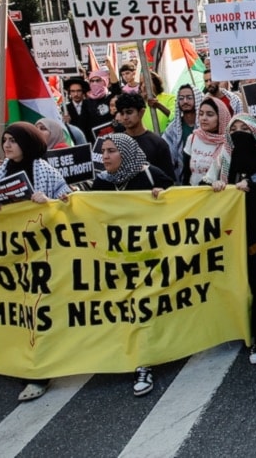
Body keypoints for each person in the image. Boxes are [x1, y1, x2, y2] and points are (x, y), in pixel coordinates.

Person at [0, 122, 70, 401]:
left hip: (43, 251)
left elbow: (68, 199)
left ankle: (40, 372)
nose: (7, 145)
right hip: (16, 251)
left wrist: (49, 200)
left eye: (14, 141)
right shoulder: (2, 170)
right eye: (5, 140)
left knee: (40, 308)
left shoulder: (44, 170)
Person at [91, 133, 174, 396]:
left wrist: (165, 196)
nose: (105, 156)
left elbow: (181, 206)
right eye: (103, 151)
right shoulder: (101, 184)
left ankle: (143, 363)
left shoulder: (151, 176)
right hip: (116, 260)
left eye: (111, 151)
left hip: (150, 258)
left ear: (126, 153)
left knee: (143, 308)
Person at [207, 114, 256, 365]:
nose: (240, 132)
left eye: (245, 128)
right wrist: (220, 188)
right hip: (233, 234)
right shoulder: (223, 159)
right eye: (235, 129)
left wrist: (254, 185)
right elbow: (206, 186)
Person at [114, 92, 176, 180]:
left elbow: (169, 179)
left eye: (129, 112)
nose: (125, 117)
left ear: (141, 112)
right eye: (122, 113)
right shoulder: (116, 143)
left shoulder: (158, 143)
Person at [182, 96, 231, 185]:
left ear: (221, 117)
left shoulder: (227, 143)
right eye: (201, 114)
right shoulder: (193, 138)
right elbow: (186, 173)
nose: (204, 118)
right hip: (195, 194)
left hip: (217, 195)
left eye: (210, 114)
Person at [162, 85, 202, 183]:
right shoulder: (172, 128)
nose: (185, 101)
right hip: (180, 177)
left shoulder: (205, 125)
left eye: (189, 97)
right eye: (181, 98)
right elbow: (166, 155)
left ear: (197, 99)